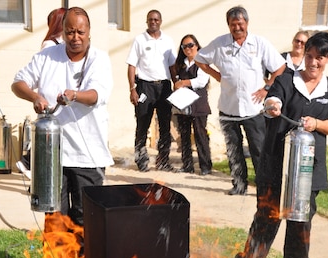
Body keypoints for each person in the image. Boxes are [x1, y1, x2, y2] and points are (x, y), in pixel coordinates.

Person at [229, 32, 328, 258]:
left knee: (300, 219)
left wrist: (316, 123)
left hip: (308, 168)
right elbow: (274, 98)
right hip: (276, 164)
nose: (313, 63)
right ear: (304, 55)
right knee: (267, 216)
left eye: (319, 58)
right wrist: (273, 105)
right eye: (310, 56)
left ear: (327, 59)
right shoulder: (286, 80)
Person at [12, 6, 114, 226]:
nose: (75, 37)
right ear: (63, 31)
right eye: (70, 32)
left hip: (88, 155)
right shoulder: (47, 56)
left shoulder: (100, 59)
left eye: (80, 32)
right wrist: (34, 97)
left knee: (86, 217)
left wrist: (75, 95)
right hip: (52, 156)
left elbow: (96, 95)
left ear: (89, 32)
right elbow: (18, 83)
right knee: (56, 217)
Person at [195, 5, 286, 195]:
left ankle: (264, 187)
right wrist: (216, 74)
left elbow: (279, 67)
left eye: (240, 24)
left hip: (253, 109)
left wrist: (267, 87)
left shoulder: (259, 43)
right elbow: (199, 58)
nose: (237, 28)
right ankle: (239, 185)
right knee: (233, 150)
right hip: (228, 108)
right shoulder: (220, 44)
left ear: (247, 23)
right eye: (233, 24)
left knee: (259, 150)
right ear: (228, 25)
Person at [16, 7, 67, 180]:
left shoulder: (66, 43)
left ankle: (30, 165)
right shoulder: (50, 45)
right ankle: (29, 163)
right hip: (51, 103)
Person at [126, 9, 177, 172]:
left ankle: (163, 161)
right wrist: (132, 88)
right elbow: (132, 66)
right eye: (150, 20)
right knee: (142, 124)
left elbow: (172, 65)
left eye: (156, 19)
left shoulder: (168, 41)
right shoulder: (139, 40)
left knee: (165, 126)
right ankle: (141, 161)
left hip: (164, 86)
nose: (153, 22)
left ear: (160, 21)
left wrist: (176, 84)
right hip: (144, 87)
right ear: (147, 22)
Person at [173, 34, 212, 175]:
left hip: (198, 105)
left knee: (200, 136)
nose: (188, 48)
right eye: (184, 46)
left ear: (196, 46)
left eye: (190, 45)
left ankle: (205, 166)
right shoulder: (181, 64)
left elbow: (201, 81)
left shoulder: (202, 62)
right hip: (183, 105)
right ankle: (187, 165)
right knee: (184, 136)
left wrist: (184, 83)